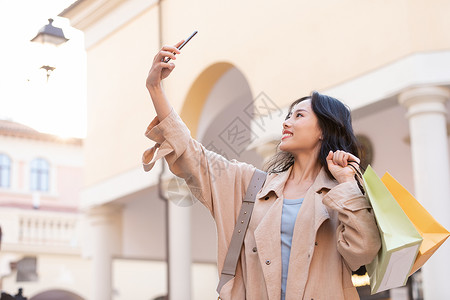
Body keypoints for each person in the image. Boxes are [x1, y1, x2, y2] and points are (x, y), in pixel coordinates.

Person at [142, 40, 381, 300]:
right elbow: (192, 154)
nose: (287, 122)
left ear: (325, 129)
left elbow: (363, 251)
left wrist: (347, 182)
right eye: (288, 115)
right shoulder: (250, 185)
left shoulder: (341, 192)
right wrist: (155, 88)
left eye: (299, 116)